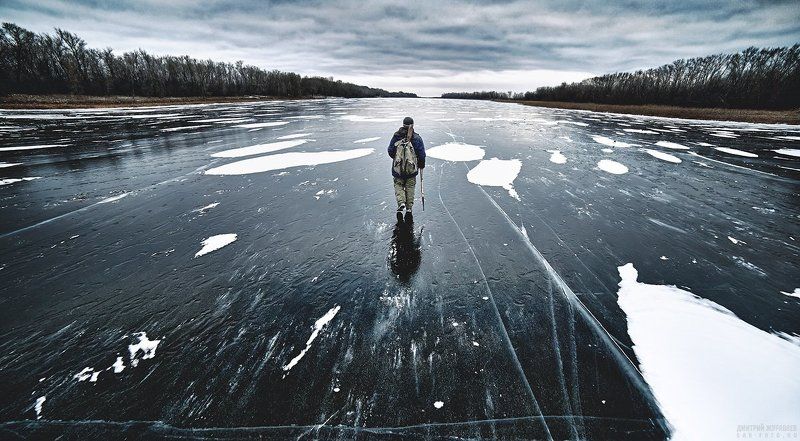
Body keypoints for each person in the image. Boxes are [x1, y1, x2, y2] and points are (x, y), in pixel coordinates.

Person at [388, 116, 425, 222]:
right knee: (410, 187)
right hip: (411, 170)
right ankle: (409, 208)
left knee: (398, 185)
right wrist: (421, 165)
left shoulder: (396, 136)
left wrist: (398, 159)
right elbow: (421, 154)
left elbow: (390, 150)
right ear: (412, 125)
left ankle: (401, 203)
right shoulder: (417, 138)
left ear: (403, 124)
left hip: (398, 169)